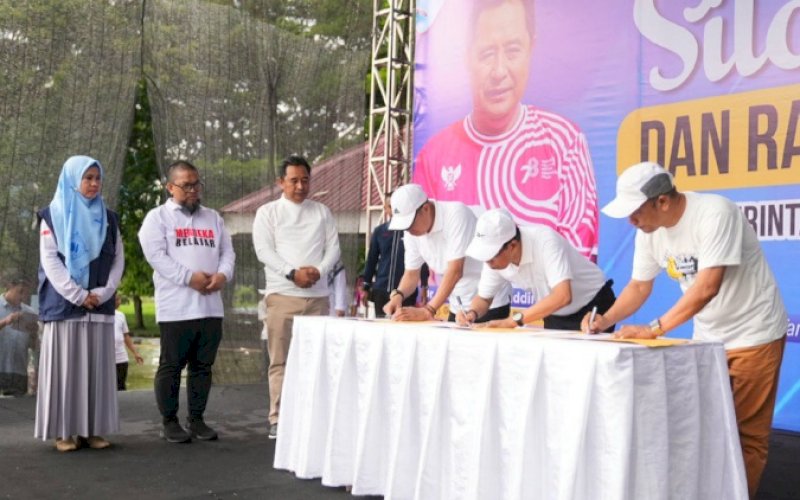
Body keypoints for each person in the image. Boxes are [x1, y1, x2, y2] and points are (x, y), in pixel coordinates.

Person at [585, 161, 787, 498]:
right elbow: (639, 287)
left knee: (746, 436)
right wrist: (603, 321)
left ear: (662, 201)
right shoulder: (648, 232)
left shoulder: (715, 213)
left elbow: (707, 287)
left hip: (754, 333)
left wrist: (654, 328)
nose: (631, 221)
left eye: (635, 212)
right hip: (708, 339)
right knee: (704, 430)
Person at [413, 0, 599, 259]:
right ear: (467, 56)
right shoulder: (434, 156)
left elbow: (580, 255)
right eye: (487, 54)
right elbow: (424, 253)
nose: (499, 71)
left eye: (512, 51)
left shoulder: (564, 141)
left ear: (531, 48)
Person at [138, 160, 235, 443]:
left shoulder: (213, 218)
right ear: (170, 187)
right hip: (176, 308)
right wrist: (189, 278)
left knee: (202, 367)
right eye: (186, 185)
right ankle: (169, 422)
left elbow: (228, 253)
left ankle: (197, 419)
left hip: (210, 306)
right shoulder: (157, 218)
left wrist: (222, 275)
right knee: (171, 366)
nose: (193, 190)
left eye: (196, 184)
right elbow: (156, 257)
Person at [35, 155, 124, 452]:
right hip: (65, 309)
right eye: (88, 178)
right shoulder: (53, 215)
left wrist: (103, 293)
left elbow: (118, 260)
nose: (94, 184)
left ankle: (91, 430)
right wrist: (78, 295)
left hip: (98, 307)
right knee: (64, 373)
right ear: (73, 180)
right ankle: (64, 433)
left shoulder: (109, 218)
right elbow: (51, 262)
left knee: (96, 374)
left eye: (98, 178)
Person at [252, 155, 340, 439]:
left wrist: (319, 271)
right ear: (281, 182)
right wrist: (292, 274)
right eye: (294, 181)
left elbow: (333, 249)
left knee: (317, 362)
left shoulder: (322, 212)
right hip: (281, 295)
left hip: (318, 296)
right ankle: (278, 418)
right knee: (280, 361)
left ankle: (313, 417)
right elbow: (264, 251)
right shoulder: (268, 212)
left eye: (305, 180)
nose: (300, 186)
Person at [457, 208, 615, 330]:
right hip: (555, 312)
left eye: (491, 256)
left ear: (512, 246)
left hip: (593, 306)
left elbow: (563, 296)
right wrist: (472, 313)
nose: (488, 262)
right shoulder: (495, 260)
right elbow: (484, 298)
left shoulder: (546, 241)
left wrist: (512, 321)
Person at [384, 183, 510, 322]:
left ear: (425, 208)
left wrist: (429, 310)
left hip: (489, 303)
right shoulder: (411, 232)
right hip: (458, 307)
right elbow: (411, 273)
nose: (408, 230)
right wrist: (398, 295)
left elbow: (455, 270)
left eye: (409, 223)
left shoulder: (456, 214)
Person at [361, 193, 430, 317]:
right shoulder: (380, 231)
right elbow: (371, 260)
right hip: (381, 290)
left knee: (403, 325)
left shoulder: (413, 230)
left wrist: (424, 285)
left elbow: (421, 260)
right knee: (381, 326)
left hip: (406, 291)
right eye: (390, 207)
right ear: (385, 208)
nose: (394, 210)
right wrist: (366, 287)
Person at [0, 277, 37, 397]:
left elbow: (33, 347)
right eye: (20, 291)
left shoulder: (29, 313)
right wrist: (5, 321)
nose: (23, 297)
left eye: (26, 293)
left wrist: (34, 334)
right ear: (9, 286)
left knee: (17, 406)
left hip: (19, 374)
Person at [113, 295, 143, 391]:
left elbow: (126, 336)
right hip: (107, 358)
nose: (119, 302)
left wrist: (136, 353)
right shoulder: (101, 316)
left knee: (121, 385)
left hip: (121, 357)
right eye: (116, 299)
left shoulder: (121, 315)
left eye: (119, 299)